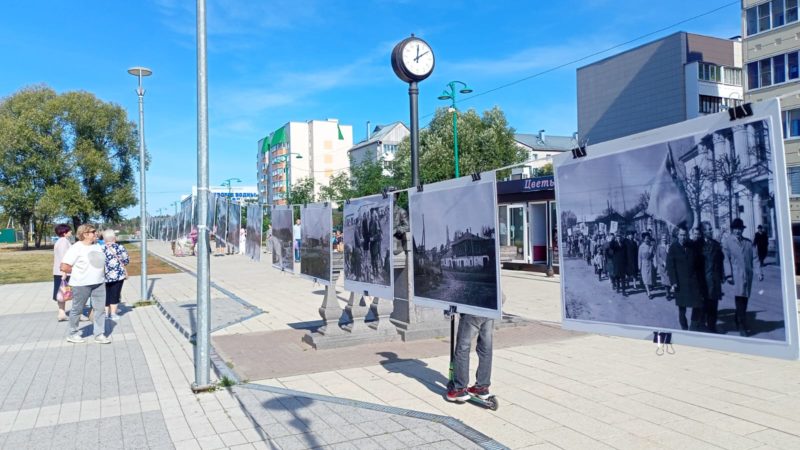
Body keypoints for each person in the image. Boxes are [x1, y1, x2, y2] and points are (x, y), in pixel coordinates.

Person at [61, 224, 111, 344]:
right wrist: (78, 272)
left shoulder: (97, 246)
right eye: (93, 232)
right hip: (81, 284)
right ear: (85, 234)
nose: (96, 234)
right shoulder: (76, 248)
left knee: (100, 309)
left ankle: (99, 334)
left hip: (99, 283)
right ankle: (73, 333)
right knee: (77, 309)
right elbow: (64, 266)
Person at [446, 313, 494, 402]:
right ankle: (482, 387)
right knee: (485, 348)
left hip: (473, 308)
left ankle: (459, 389)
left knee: (462, 347)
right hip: (490, 308)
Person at [722, 218, 756, 337]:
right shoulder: (727, 242)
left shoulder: (748, 242)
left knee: (745, 298)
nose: (738, 231)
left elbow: (755, 258)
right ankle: (742, 325)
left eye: (740, 229)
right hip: (736, 275)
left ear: (742, 230)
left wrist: (759, 272)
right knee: (740, 299)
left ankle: (738, 318)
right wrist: (728, 275)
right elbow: (726, 260)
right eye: (735, 229)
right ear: (732, 230)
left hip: (748, 275)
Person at [666, 227, 703, 331]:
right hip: (680, 283)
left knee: (698, 305)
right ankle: (684, 328)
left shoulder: (691, 245)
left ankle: (693, 327)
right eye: (681, 235)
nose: (683, 237)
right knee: (682, 309)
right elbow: (670, 266)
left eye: (685, 235)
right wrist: (673, 282)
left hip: (693, 282)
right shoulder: (673, 248)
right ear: (678, 235)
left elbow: (698, 262)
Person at [697, 222, 725, 333]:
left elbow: (720, 261)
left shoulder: (716, 245)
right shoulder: (697, 245)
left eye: (711, 229)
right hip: (703, 281)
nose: (711, 231)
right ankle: (702, 326)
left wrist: (722, 275)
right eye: (708, 229)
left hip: (715, 280)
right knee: (704, 305)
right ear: (703, 232)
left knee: (714, 305)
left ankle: (712, 327)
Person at [102, 230, 129, 322]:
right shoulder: (120, 247)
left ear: (104, 239)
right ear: (114, 238)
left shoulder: (100, 248)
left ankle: (105, 314)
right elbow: (126, 261)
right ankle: (113, 314)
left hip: (104, 276)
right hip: (118, 275)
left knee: (105, 294)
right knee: (115, 294)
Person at [52, 223, 73, 321]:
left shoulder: (60, 241)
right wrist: (64, 272)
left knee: (62, 292)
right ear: (64, 232)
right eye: (69, 230)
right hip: (64, 272)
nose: (71, 232)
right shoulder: (64, 241)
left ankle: (62, 313)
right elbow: (63, 257)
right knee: (64, 292)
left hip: (59, 271)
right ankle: (63, 313)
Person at [638, 233, 655, 299]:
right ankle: (648, 293)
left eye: (648, 238)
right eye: (646, 238)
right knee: (645, 278)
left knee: (649, 278)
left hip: (650, 263)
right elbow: (639, 257)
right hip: (643, 264)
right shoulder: (641, 247)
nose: (647, 240)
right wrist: (639, 265)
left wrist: (654, 263)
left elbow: (653, 255)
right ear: (643, 239)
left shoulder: (651, 246)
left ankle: (647, 289)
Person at [655, 234, 672, 300]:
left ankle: (669, 291)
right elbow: (658, 256)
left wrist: (668, 250)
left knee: (670, 279)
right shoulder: (659, 247)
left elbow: (672, 255)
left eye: (665, 238)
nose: (664, 239)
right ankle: (667, 293)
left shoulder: (669, 245)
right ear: (661, 239)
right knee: (665, 279)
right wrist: (662, 262)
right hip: (663, 266)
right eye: (663, 238)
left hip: (670, 265)